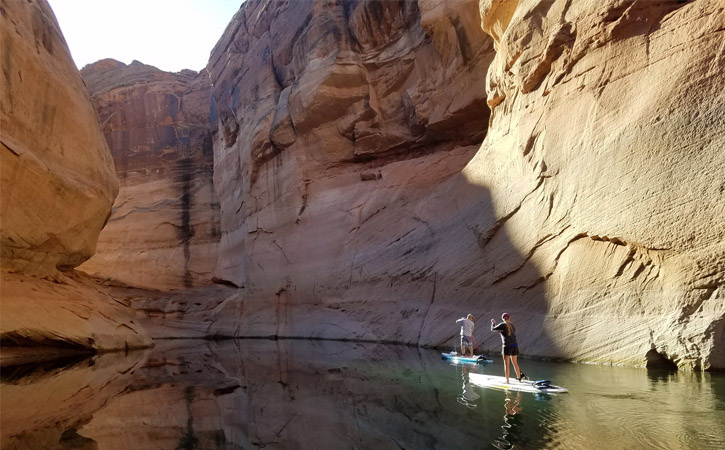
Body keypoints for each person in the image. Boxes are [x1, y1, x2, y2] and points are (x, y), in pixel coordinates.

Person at [491, 312, 525, 383]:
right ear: (509, 318)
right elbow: (509, 334)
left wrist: (493, 323)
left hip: (507, 346)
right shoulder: (512, 325)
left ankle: (507, 381)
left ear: (503, 319)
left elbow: (493, 329)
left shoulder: (502, 324)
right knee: (515, 362)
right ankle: (519, 378)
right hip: (515, 345)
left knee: (506, 364)